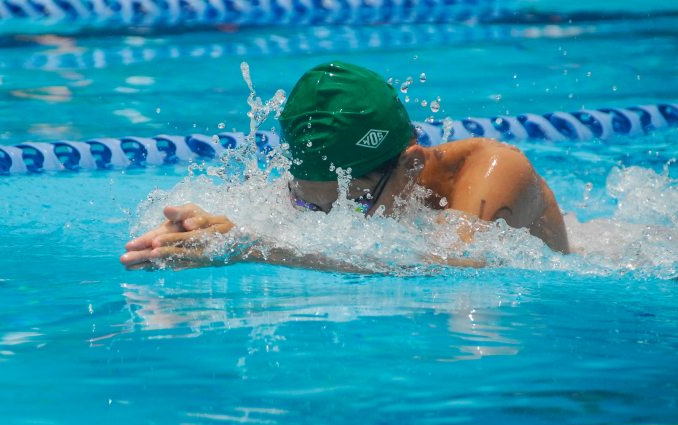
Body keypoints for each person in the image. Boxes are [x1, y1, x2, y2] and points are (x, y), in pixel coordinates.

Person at [121, 61, 569, 270]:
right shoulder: (335, 186)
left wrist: (257, 249)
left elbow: (457, 268)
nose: (332, 221)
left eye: (353, 204)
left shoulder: (497, 170)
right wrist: (213, 231)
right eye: (307, 205)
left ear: (411, 166)